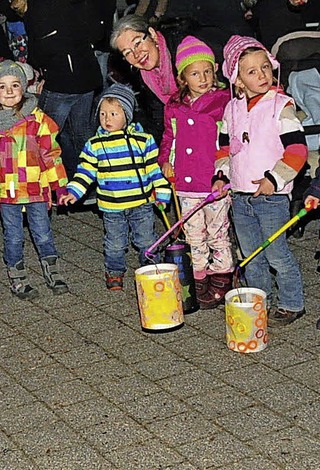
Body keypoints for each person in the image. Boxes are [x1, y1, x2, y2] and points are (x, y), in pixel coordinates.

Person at [212, 35, 308, 326]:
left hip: (271, 197)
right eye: (251, 71)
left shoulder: (281, 106)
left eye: (265, 67)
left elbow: (297, 150)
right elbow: (225, 148)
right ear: (237, 80)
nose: (262, 74)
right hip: (240, 197)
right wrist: (221, 176)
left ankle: (292, 303)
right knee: (251, 254)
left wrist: (274, 179)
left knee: (277, 254)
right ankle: (259, 299)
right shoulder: (231, 110)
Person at [58, 83, 171, 290]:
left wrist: (162, 193)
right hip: (112, 206)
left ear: (127, 115)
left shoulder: (143, 141)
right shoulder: (95, 145)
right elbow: (85, 171)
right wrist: (73, 192)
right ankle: (115, 271)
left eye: (113, 113)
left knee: (147, 239)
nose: (107, 119)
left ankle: (153, 269)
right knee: (115, 243)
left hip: (141, 203)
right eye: (102, 113)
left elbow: (154, 170)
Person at [0, 60, 69, 299]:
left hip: (35, 186)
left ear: (24, 88)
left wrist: (59, 185)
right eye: (2, 86)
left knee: (43, 232)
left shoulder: (37, 119)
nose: (9, 91)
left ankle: (52, 268)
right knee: (13, 235)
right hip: (7, 189)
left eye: (15, 85)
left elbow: (51, 153)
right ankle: (17, 274)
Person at [157, 36, 233, 308]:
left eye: (208, 71)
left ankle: (222, 276)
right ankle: (199, 276)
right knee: (193, 234)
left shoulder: (223, 101)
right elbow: (169, 137)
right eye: (194, 73)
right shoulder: (174, 107)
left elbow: (229, 141)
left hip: (214, 182)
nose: (203, 78)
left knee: (218, 232)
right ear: (182, 78)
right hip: (185, 182)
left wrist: (225, 174)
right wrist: (165, 160)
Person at [23, 0, 103, 179]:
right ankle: (86, 181)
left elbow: (41, 41)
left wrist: (42, 69)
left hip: (62, 77)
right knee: (78, 134)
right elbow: (96, 32)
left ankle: (38, 182)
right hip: (85, 74)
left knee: (42, 134)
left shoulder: (42, 6)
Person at [110, 14, 178, 141]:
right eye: (128, 53)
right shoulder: (146, 77)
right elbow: (157, 119)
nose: (136, 54)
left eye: (137, 43)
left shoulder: (182, 50)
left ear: (152, 34)